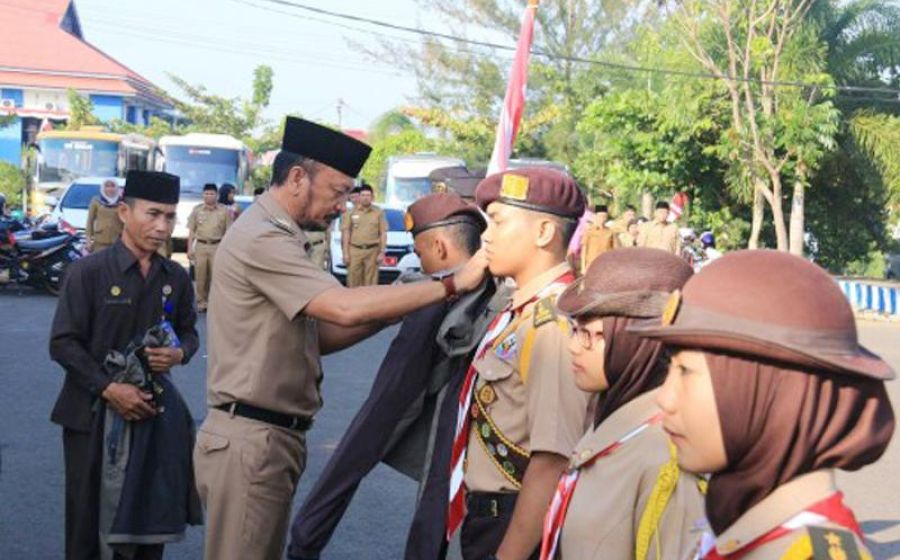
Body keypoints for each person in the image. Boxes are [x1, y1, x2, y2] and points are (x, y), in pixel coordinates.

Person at [193, 117, 488, 560]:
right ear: (297, 178)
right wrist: (451, 285)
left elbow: (321, 336)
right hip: (251, 440)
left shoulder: (282, 236)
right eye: (336, 192)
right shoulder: (263, 238)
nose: (341, 206)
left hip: (269, 438)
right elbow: (342, 307)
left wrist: (400, 306)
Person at [631, 250, 895, 559]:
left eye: (686, 371)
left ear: (774, 395)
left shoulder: (806, 552)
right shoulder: (744, 527)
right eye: (669, 369)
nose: (665, 398)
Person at [288, 192, 502, 560]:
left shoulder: (435, 293)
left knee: (359, 451)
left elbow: (386, 406)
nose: (420, 261)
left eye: (421, 253)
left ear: (439, 244)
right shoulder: (496, 293)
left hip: (442, 396)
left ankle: (303, 546)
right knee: (440, 480)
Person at [49, 170, 200, 560]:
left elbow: (189, 331)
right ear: (123, 213)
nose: (162, 226)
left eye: (170, 216)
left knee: (148, 524)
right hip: (92, 415)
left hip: (152, 416)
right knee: (89, 525)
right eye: (152, 214)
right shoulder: (89, 272)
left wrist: (180, 353)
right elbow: (63, 343)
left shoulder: (176, 277)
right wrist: (109, 388)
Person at [447, 167, 592, 560]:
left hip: (514, 525)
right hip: (492, 517)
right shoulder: (520, 312)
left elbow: (552, 458)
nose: (486, 236)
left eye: (497, 222)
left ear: (544, 232)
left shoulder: (552, 324)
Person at [540, 248, 704, 560]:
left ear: (638, 341)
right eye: (575, 330)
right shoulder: (612, 418)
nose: (575, 347)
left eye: (592, 334)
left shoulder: (664, 454)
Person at [187, 183, 233, 313]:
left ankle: (214, 302)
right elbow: (191, 231)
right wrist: (189, 248)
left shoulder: (224, 211)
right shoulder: (197, 210)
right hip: (201, 246)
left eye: (212, 193)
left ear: (217, 195)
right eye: (206, 193)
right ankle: (201, 302)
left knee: (216, 276)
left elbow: (228, 232)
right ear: (202, 195)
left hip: (217, 246)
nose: (209, 196)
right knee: (200, 275)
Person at [342, 183, 387, 286]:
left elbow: (383, 233)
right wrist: (345, 253)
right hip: (354, 250)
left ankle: (370, 301)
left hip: (372, 251)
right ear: (359, 197)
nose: (365, 198)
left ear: (372, 197)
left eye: (368, 195)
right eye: (363, 195)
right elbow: (346, 233)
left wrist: (382, 252)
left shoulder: (378, 212)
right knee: (353, 280)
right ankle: (354, 301)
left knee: (371, 281)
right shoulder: (350, 212)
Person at [85, 179, 123, 253]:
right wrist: (88, 240)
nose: (110, 189)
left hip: (118, 241)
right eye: (107, 186)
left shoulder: (122, 202)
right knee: (99, 263)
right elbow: (90, 221)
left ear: (117, 188)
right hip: (100, 241)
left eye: (112, 186)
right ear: (103, 188)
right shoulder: (96, 201)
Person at [579, 204, 617, 273]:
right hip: (591, 265)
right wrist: (583, 267)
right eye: (600, 216)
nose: (602, 219)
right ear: (596, 217)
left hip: (606, 266)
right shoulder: (589, 231)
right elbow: (584, 250)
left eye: (604, 216)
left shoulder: (610, 232)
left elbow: (614, 250)